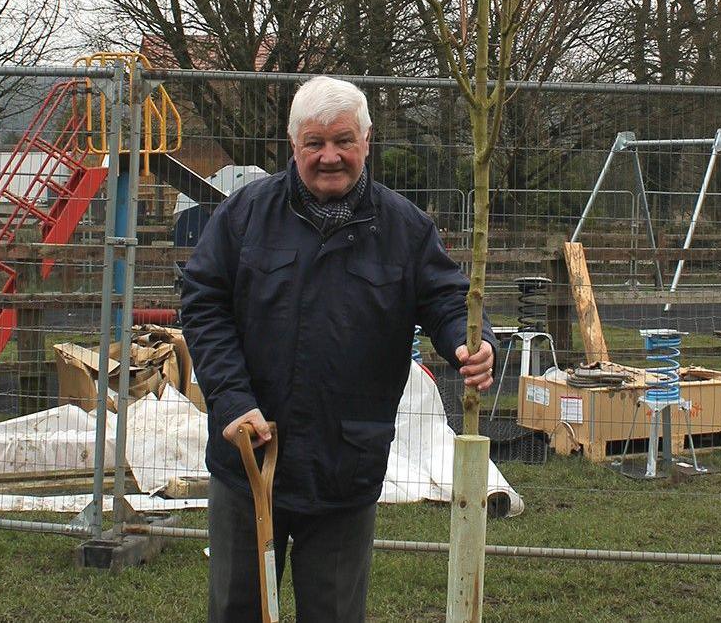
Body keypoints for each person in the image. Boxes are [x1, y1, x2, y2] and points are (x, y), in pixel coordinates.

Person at [182, 75, 497, 623]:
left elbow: (449, 301)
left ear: (367, 141)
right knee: (239, 610)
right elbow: (204, 304)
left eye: (343, 141)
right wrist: (232, 403)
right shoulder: (244, 217)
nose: (330, 157)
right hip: (250, 460)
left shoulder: (405, 229)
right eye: (315, 143)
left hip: (345, 468)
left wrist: (472, 344)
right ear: (293, 145)